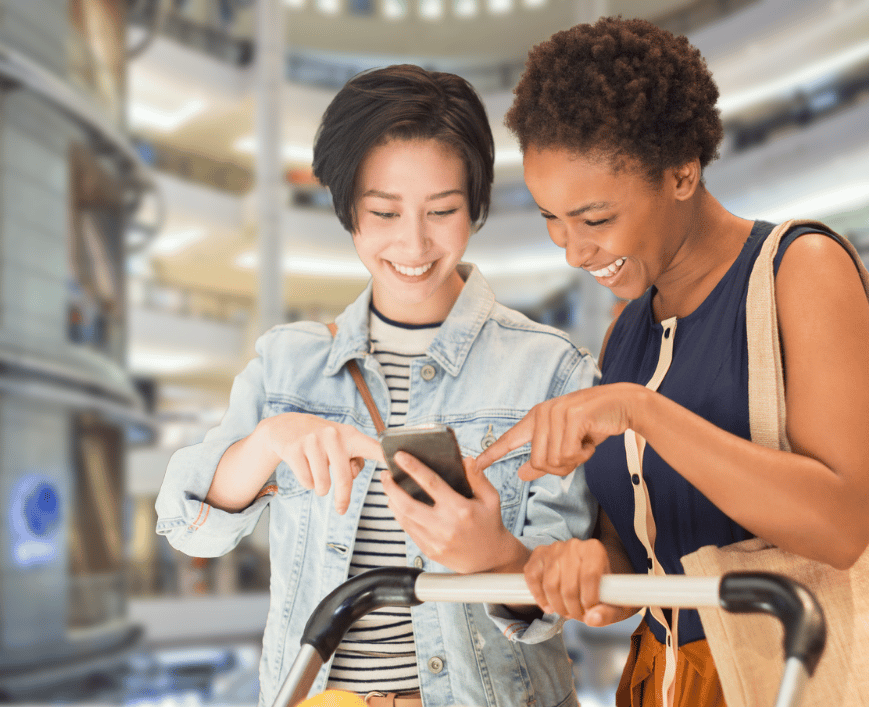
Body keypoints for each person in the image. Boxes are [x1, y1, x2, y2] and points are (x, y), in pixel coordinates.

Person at [155, 64, 598, 707]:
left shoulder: (549, 369)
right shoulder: (288, 364)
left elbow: (554, 604)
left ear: (475, 208)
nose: (412, 242)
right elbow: (187, 524)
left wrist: (489, 550)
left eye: (441, 210)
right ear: (348, 212)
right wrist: (272, 439)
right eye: (384, 212)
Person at [476, 17, 869, 707]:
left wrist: (642, 410)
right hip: (660, 683)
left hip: (797, 676)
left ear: (682, 173)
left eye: (595, 219)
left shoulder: (798, 268)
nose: (573, 251)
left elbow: (843, 525)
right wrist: (584, 567)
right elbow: (637, 564)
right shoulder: (625, 332)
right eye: (552, 218)